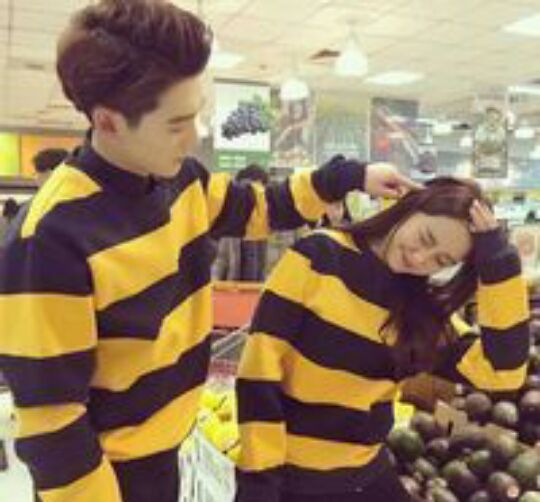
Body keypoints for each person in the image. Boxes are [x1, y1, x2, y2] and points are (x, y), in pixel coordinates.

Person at [0, 1, 417, 502]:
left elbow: (259, 207)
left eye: (197, 114)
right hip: (106, 477)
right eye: (177, 124)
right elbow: (53, 423)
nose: (195, 136)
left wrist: (350, 177)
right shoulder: (49, 240)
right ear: (108, 121)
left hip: (166, 452)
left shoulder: (179, 179)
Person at [235, 177, 530, 502]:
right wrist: (259, 480)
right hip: (292, 482)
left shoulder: (419, 313)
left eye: (441, 261)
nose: (420, 259)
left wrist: (499, 264)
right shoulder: (319, 257)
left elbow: (504, 372)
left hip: (368, 476)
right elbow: (258, 373)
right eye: (425, 238)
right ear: (409, 208)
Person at [213, 164, 270, 282]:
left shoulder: (272, 221)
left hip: (261, 286)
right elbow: (221, 258)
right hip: (233, 286)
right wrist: (215, 282)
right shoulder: (229, 219)